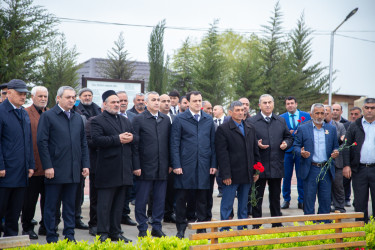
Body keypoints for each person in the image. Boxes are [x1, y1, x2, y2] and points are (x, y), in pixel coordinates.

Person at [37, 86, 90, 243]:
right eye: (68, 97)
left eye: (74, 97)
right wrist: (47, 166)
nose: (72, 100)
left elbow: (83, 143)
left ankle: (69, 236)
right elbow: (42, 142)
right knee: (51, 206)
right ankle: (51, 236)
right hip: (55, 170)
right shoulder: (48, 116)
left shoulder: (77, 118)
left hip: (73, 171)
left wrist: (85, 164)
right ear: (58, 98)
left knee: (70, 207)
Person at [90, 90, 137, 242]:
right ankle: (103, 233)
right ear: (104, 104)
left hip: (123, 169)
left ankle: (116, 232)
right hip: (107, 170)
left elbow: (136, 137)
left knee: (118, 205)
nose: (117, 104)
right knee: (104, 205)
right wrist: (117, 139)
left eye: (118, 102)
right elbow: (97, 140)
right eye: (114, 102)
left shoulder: (125, 120)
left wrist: (131, 138)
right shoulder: (98, 120)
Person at [170, 91, 216, 238]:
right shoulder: (180, 119)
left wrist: (213, 164)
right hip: (184, 166)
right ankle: (181, 228)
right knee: (182, 198)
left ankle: (201, 228)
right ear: (188, 102)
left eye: (200, 100)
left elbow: (213, 144)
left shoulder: (208, 120)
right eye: (195, 100)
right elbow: (174, 143)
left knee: (202, 199)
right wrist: (176, 164)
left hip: (203, 165)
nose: (198, 103)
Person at [247, 94, 293, 228]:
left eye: (269, 102)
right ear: (259, 105)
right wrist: (256, 143)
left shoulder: (280, 121)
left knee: (275, 196)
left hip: (276, 164)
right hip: (258, 166)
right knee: (257, 197)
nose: (267, 105)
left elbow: (289, 137)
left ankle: (277, 224)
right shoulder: (252, 122)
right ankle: (257, 225)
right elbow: (245, 141)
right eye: (264, 103)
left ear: (273, 104)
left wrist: (286, 143)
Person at [215, 101, 261, 231]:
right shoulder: (223, 129)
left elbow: (255, 152)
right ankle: (224, 229)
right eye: (237, 110)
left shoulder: (250, 128)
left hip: (247, 174)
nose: (241, 112)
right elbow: (222, 155)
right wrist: (226, 174)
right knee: (227, 204)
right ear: (230, 112)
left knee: (244, 206)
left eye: (242, 110)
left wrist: (256, 171)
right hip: (231, 175)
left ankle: (242, 228)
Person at [132, 91, 171, 238]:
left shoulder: (165, 119)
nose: (156, 102)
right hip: (144, 166)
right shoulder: (138, 119)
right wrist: (136, 166)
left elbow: (169, 143)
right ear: (146, 103)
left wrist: (170, 163)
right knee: (141, 199)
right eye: (153, 100)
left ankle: (156, 226)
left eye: (158, 100)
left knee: (160, 199)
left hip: (162, 166)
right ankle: (142, 227)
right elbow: (135, 146)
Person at [0, 79, 35, 237]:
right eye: (20, 93)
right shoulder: (1, 112)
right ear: (9, 93)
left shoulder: (23, 113)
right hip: (5, 172)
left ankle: (11, 240)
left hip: (21, 172)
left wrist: (30, 164)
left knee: (15, 211)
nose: (23, 97)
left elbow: (28, 142)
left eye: (25, 94)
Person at [293, 103, 339, 216]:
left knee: (325, 200)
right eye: (317, 113)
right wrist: (301, 152)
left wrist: (335, 152)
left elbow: (335, 146)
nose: (319, 116)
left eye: (322, 113)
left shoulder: (331, 129)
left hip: (326, 169)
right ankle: (310, 226)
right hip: (310, 169)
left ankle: (324, 224)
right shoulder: (303, 128)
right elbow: (295, 146)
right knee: (309, 199)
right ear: (311, 114)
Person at [21, 86, 49, 239]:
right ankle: (27, 227)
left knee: (48, 200)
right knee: (30, 200)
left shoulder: (50, 113)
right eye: (40, 96)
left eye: (45, 96)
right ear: (32, 97)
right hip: (33, 165)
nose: (43, 99)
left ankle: (46, 225)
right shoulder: (25, 113)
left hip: (48, 166)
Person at [343, 98, 375, 223]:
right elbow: (346, 146)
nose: (369, 110)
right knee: (360, 203)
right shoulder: (355, 125)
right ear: (363, 109)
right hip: (359, 169)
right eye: (367, 107)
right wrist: (346, 165)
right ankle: (361, 230)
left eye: (372, 108)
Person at [279, 96, 311, 210]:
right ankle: (286, 200)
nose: (290, 105)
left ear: (296, 104)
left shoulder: (306, 116)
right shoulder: (281, 118)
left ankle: (301, 200)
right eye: (288, 104)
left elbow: (308, 131)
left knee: (301, 176)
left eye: (292, 103)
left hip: (301, 150)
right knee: (286, 176)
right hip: (287, 151)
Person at [117, 91, 137, 227]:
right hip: (115, 159)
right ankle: (116, 216)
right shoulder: (111, 117)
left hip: (129, 159)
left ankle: (125, 214)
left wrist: (133, 138)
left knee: (127, 189)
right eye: (120, 100)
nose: (123, 103)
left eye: (125, 100)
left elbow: (138, 136)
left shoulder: (133, 117)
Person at [324, 105, 346, 213]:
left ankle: (340, 207)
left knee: (338, 185)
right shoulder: (319, 126)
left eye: (327, 112)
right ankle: (325, 207)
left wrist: (337, 151)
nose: (325, 114)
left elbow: (344, 142)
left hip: (336, 161)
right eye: (323, 112)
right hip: (323, 162)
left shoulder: (339, 126)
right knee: (324, 186)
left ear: (331, 113)